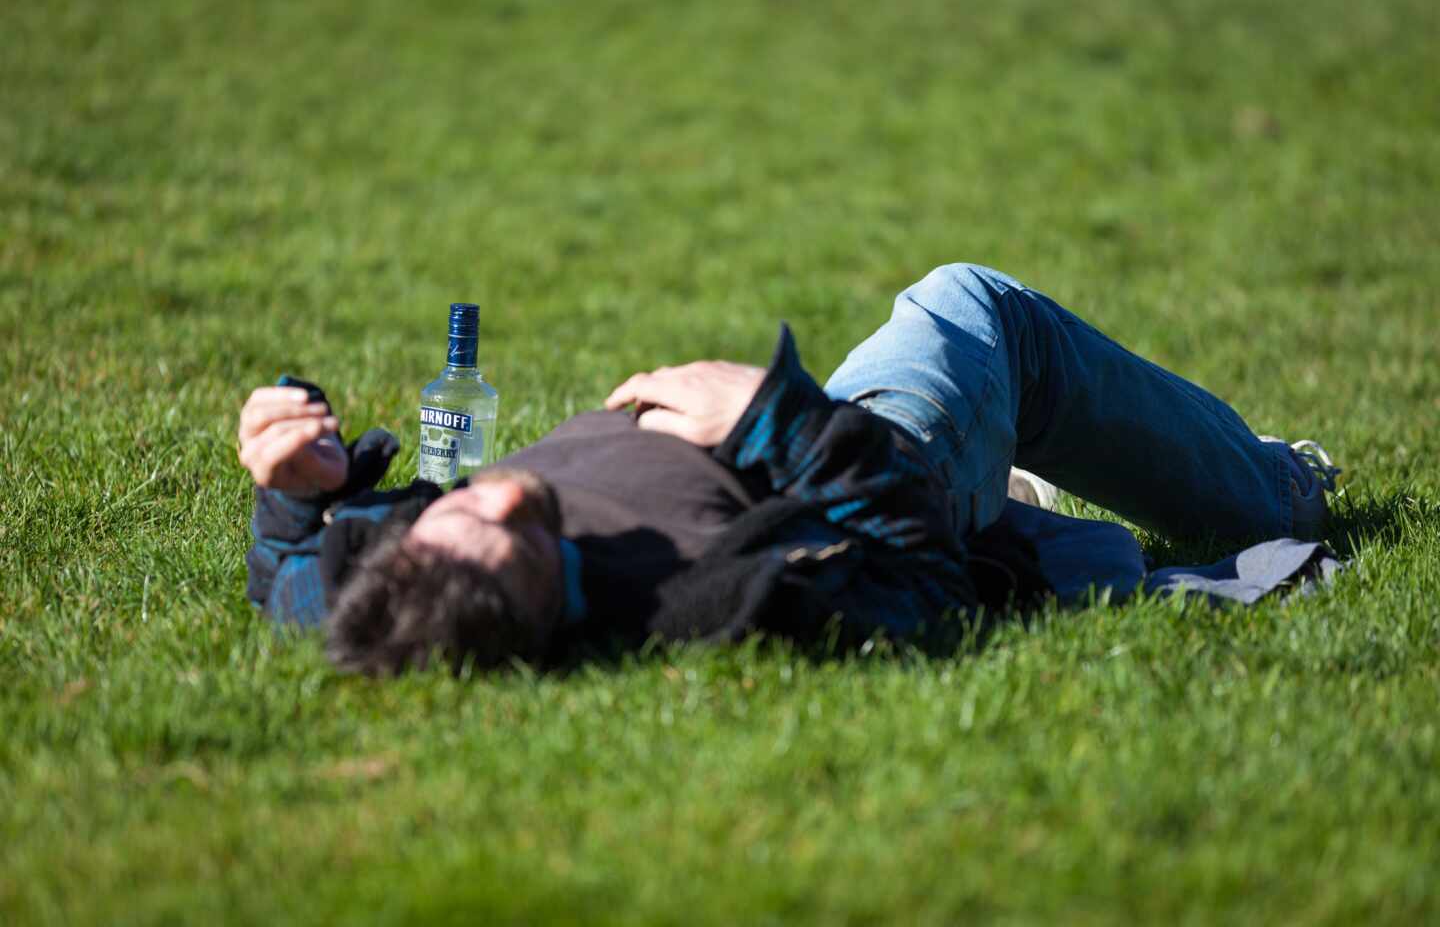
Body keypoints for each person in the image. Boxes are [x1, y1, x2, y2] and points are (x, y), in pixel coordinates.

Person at [239, 263, 1341, 675]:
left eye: (461, 510)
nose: (509, 494)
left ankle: (1015, 488)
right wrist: (773, 420)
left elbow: (294, 574)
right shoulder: (718, 605)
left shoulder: (390, 593)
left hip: (807, 441)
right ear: (540, 613)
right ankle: (1275, 489)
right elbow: (918, 578)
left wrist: (294, 483)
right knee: (972, 308)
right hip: (866, 455)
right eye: (526, 538)